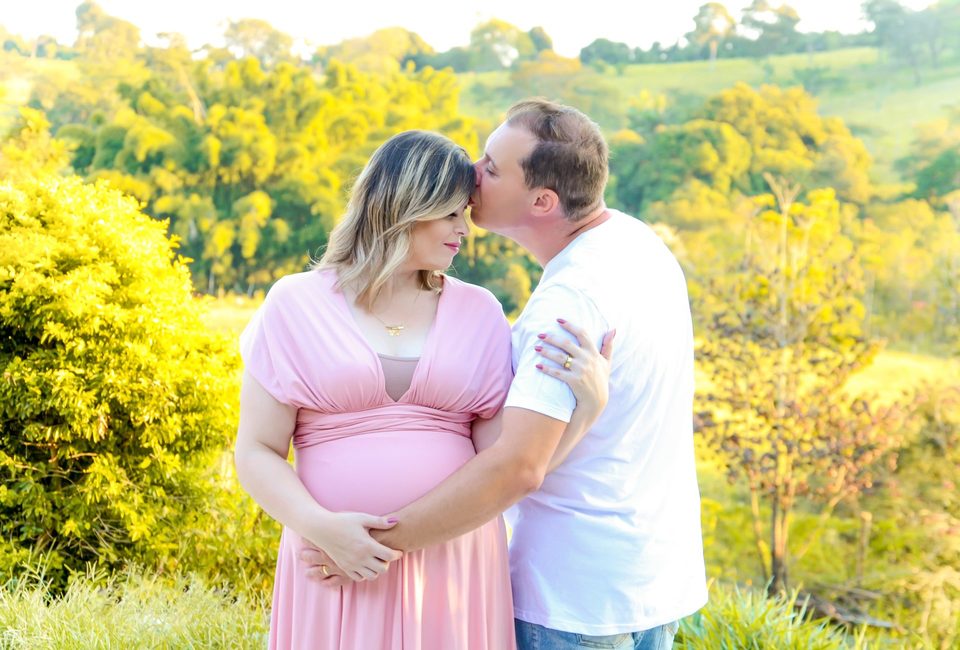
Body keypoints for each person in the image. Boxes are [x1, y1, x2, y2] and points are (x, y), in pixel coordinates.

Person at [307, 99, 708, 649]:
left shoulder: (569, 301)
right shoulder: (638, 245)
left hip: (571, 594)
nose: (473, 172)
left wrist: (376, 545)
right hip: (649, 580)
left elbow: (516, 465)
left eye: (493, 167)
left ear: (542, 201)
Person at [233, 130, 613, 650]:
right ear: (405, 206)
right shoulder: (294, 304)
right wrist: (320, 528)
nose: (466, 230)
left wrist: (587, 410)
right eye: (452, 214)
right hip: (333, 561)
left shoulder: (478, 311)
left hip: (454, 567)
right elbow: (256, 451)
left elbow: (507, 462)